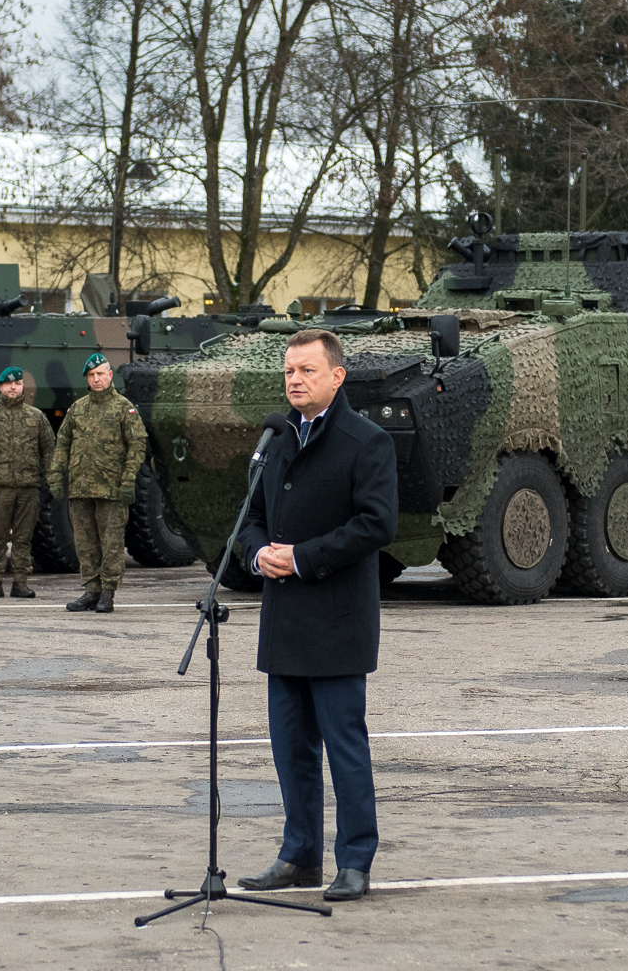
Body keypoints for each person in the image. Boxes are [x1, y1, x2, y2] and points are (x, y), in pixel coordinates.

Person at [235, 328, 397, 904]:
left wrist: (304, 558)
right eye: (288, 372)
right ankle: (299, 853)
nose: (295, 381)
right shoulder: (277, 439)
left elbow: (378, 523)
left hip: (336, 620)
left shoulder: (366, 441)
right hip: (284, 620)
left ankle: (355, 860)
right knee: (290, 747)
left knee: (343, 746)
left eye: (306, 371)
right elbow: (250, 515)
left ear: (337, 376)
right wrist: (256, 553)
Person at [50, 352, 144, 613]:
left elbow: (137, 445)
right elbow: (63, 444)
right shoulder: (78, 408)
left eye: (100, 374)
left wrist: (128, 481)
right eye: (91, 375)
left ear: (110, 375)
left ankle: (108, 592)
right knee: (85, 542)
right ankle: (91, 590)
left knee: (111, 542)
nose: (96, 379)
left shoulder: (124, 408)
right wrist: (56, 477)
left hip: (111, 489)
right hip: (80, 488)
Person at [0, 366, 53, 599]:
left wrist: (49, 483)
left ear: (23, 386)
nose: (13, 387)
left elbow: (49, 451)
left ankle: (20, 583)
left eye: (17, 383)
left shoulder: (36, 417)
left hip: (28, 487)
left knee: (24, 538)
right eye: (8, 384)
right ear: (0, 387)